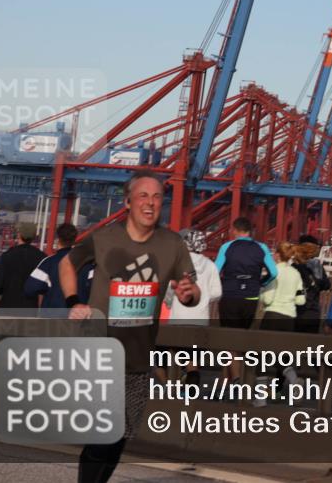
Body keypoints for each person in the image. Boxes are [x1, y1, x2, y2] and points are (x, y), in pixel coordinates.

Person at [60, 169, 200, 483]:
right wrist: (73, 301)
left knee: (119, 438)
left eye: (156, 197)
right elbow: (66, 263)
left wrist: (189, 294)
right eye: (142, 196)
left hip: (139, 357)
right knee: (105, 433)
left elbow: (190, 289)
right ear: (127, 202)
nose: (150, 203)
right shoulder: (105, 237)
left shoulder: (172, 244)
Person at [215, 217, 278, 380]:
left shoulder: (226, 247)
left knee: (229, 339)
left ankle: (235, 380)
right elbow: (274, 273)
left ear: (235, 230)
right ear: (250, 231)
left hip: (230, 296)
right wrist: (260, 283)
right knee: (242, 338)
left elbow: (215, 271)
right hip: (250, 297)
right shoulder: (262, 248)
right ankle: (231, 380)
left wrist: (223, 283)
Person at [161, 228, 223, 388]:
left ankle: (174, 391)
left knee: (175, 356)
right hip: (200, 319)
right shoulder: (210, 265)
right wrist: (204, 298)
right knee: (193, 361)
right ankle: (189, 390)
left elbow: (169, 288)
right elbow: (217, 292)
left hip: (178, 318)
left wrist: (170, 301)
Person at [259, 241, 306, 390]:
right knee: (283, 355)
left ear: (278, 255)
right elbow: (301, 300)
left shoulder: (274, 272)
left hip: (272, 315)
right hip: (289, 317)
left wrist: (262, 295)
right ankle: (292, 378)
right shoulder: (296, 273)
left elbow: (268, 298)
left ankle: (260, 397)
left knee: (263, 356)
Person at [24, 223, 79, 310]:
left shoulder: (48, 262)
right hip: (79, 316)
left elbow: (30, 289)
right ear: (74, 239)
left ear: (58, 239)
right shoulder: (86, 263)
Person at [0, 221, 46, 309]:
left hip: (7, 306)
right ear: (33, 237)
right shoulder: (41, 257)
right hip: (30, 308)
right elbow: (43, 287)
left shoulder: (7, 255)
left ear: (19, 235)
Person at [293, 238, 330, 333]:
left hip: (296, 310)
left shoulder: (294, 268)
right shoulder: (317, 266)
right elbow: (326, 285)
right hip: (313, 311)